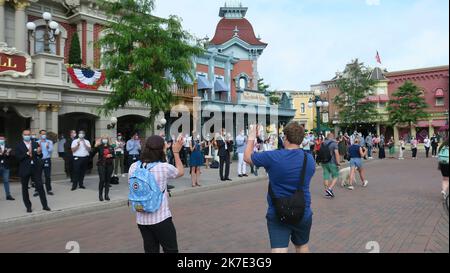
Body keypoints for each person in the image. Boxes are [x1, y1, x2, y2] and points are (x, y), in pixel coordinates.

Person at [244, 122, 315, 253]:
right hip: (303, 210)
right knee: (302, 246)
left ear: (286, 138)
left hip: (278, 211)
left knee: (279, 250)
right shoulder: (309, 159)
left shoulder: (273, 156)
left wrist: (251, 137)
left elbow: (247, 157)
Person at [129, 135, 184, 253]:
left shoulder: (134, 167)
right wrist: (176, 152)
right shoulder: (163, 168)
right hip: (161, 218)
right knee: (171, 250)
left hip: (141, 219)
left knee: (150, 250)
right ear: (161, 149)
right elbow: (180, 171)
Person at [15, 129, 50, 213]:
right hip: (25, 169)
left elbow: (40, 155)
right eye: (25, 134)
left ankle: (45, 205)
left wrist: (39, 152)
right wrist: (27, 153)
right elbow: (18, 158)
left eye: (28, 134)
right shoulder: (18, 145)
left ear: (30, 135)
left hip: (35, 168)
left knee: (40, 186)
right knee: (25, 189)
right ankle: (28, 206)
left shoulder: (35, 143)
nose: (27, 136)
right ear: (22, 135)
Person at [93, 136, 115, 201]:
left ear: (107, 140)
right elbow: (92, 153)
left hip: (109, 165)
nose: (105, 139)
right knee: (102, 180)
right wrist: (95, 145)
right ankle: (100, 195)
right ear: (102, 140)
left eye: (106, 138)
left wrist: (111, 155)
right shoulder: (99, 146)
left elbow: (114, 155)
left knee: (108, 181)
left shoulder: (111, 146)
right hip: (101, 164)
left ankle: (106, 195)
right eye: (103, 138)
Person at [320, 133, 340, 198]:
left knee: (326, 175)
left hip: (324, 162)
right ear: (333, 137)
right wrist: (338, 163)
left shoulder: (323, 143)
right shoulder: (334, 144)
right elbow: (336, 154)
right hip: (332, 162)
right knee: (336, 176)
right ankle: (329, 189)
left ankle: (327, 190)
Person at [35, 130, 54, 196]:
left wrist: (48, 147)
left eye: (45, 134)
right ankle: (37, 190)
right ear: (40, 135)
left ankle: (49, 190)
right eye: (42, 134)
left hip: (47, 160)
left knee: (47, 176)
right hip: (38, 160)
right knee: (38, 176)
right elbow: (35, 152)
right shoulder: (36, 142)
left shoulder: (49, 142)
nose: (44, 135)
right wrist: (38, 148)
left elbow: (51, 150)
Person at [0, 135, 14, 200]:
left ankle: (8, 195)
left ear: (5, 139)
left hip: (6, 166)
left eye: (2, 139)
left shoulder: (8, 146)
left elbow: (12, 155)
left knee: (6, 181)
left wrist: (8, 154)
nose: (1, 140)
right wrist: (2, 153)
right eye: (0, 139)